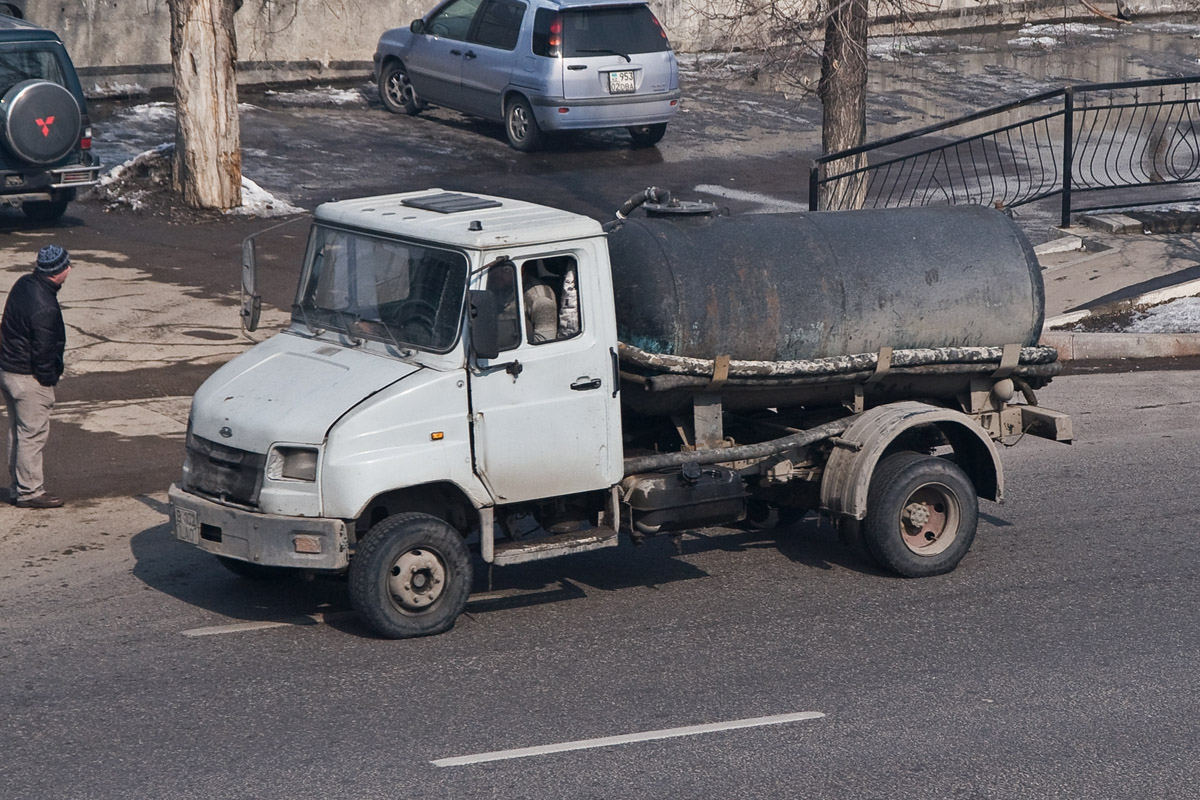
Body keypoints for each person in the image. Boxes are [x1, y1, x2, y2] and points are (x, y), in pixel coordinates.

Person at [0, 245, 72, 508]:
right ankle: (30, 491)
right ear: (57, 271)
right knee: (32, 434)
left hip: (7, 370)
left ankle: (17, 487)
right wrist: (48, 379)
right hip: (27, 377)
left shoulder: (24, 284)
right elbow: (43, 352)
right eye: (66, 265)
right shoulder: (45, 307)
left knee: (19, 432)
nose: (69, 269)